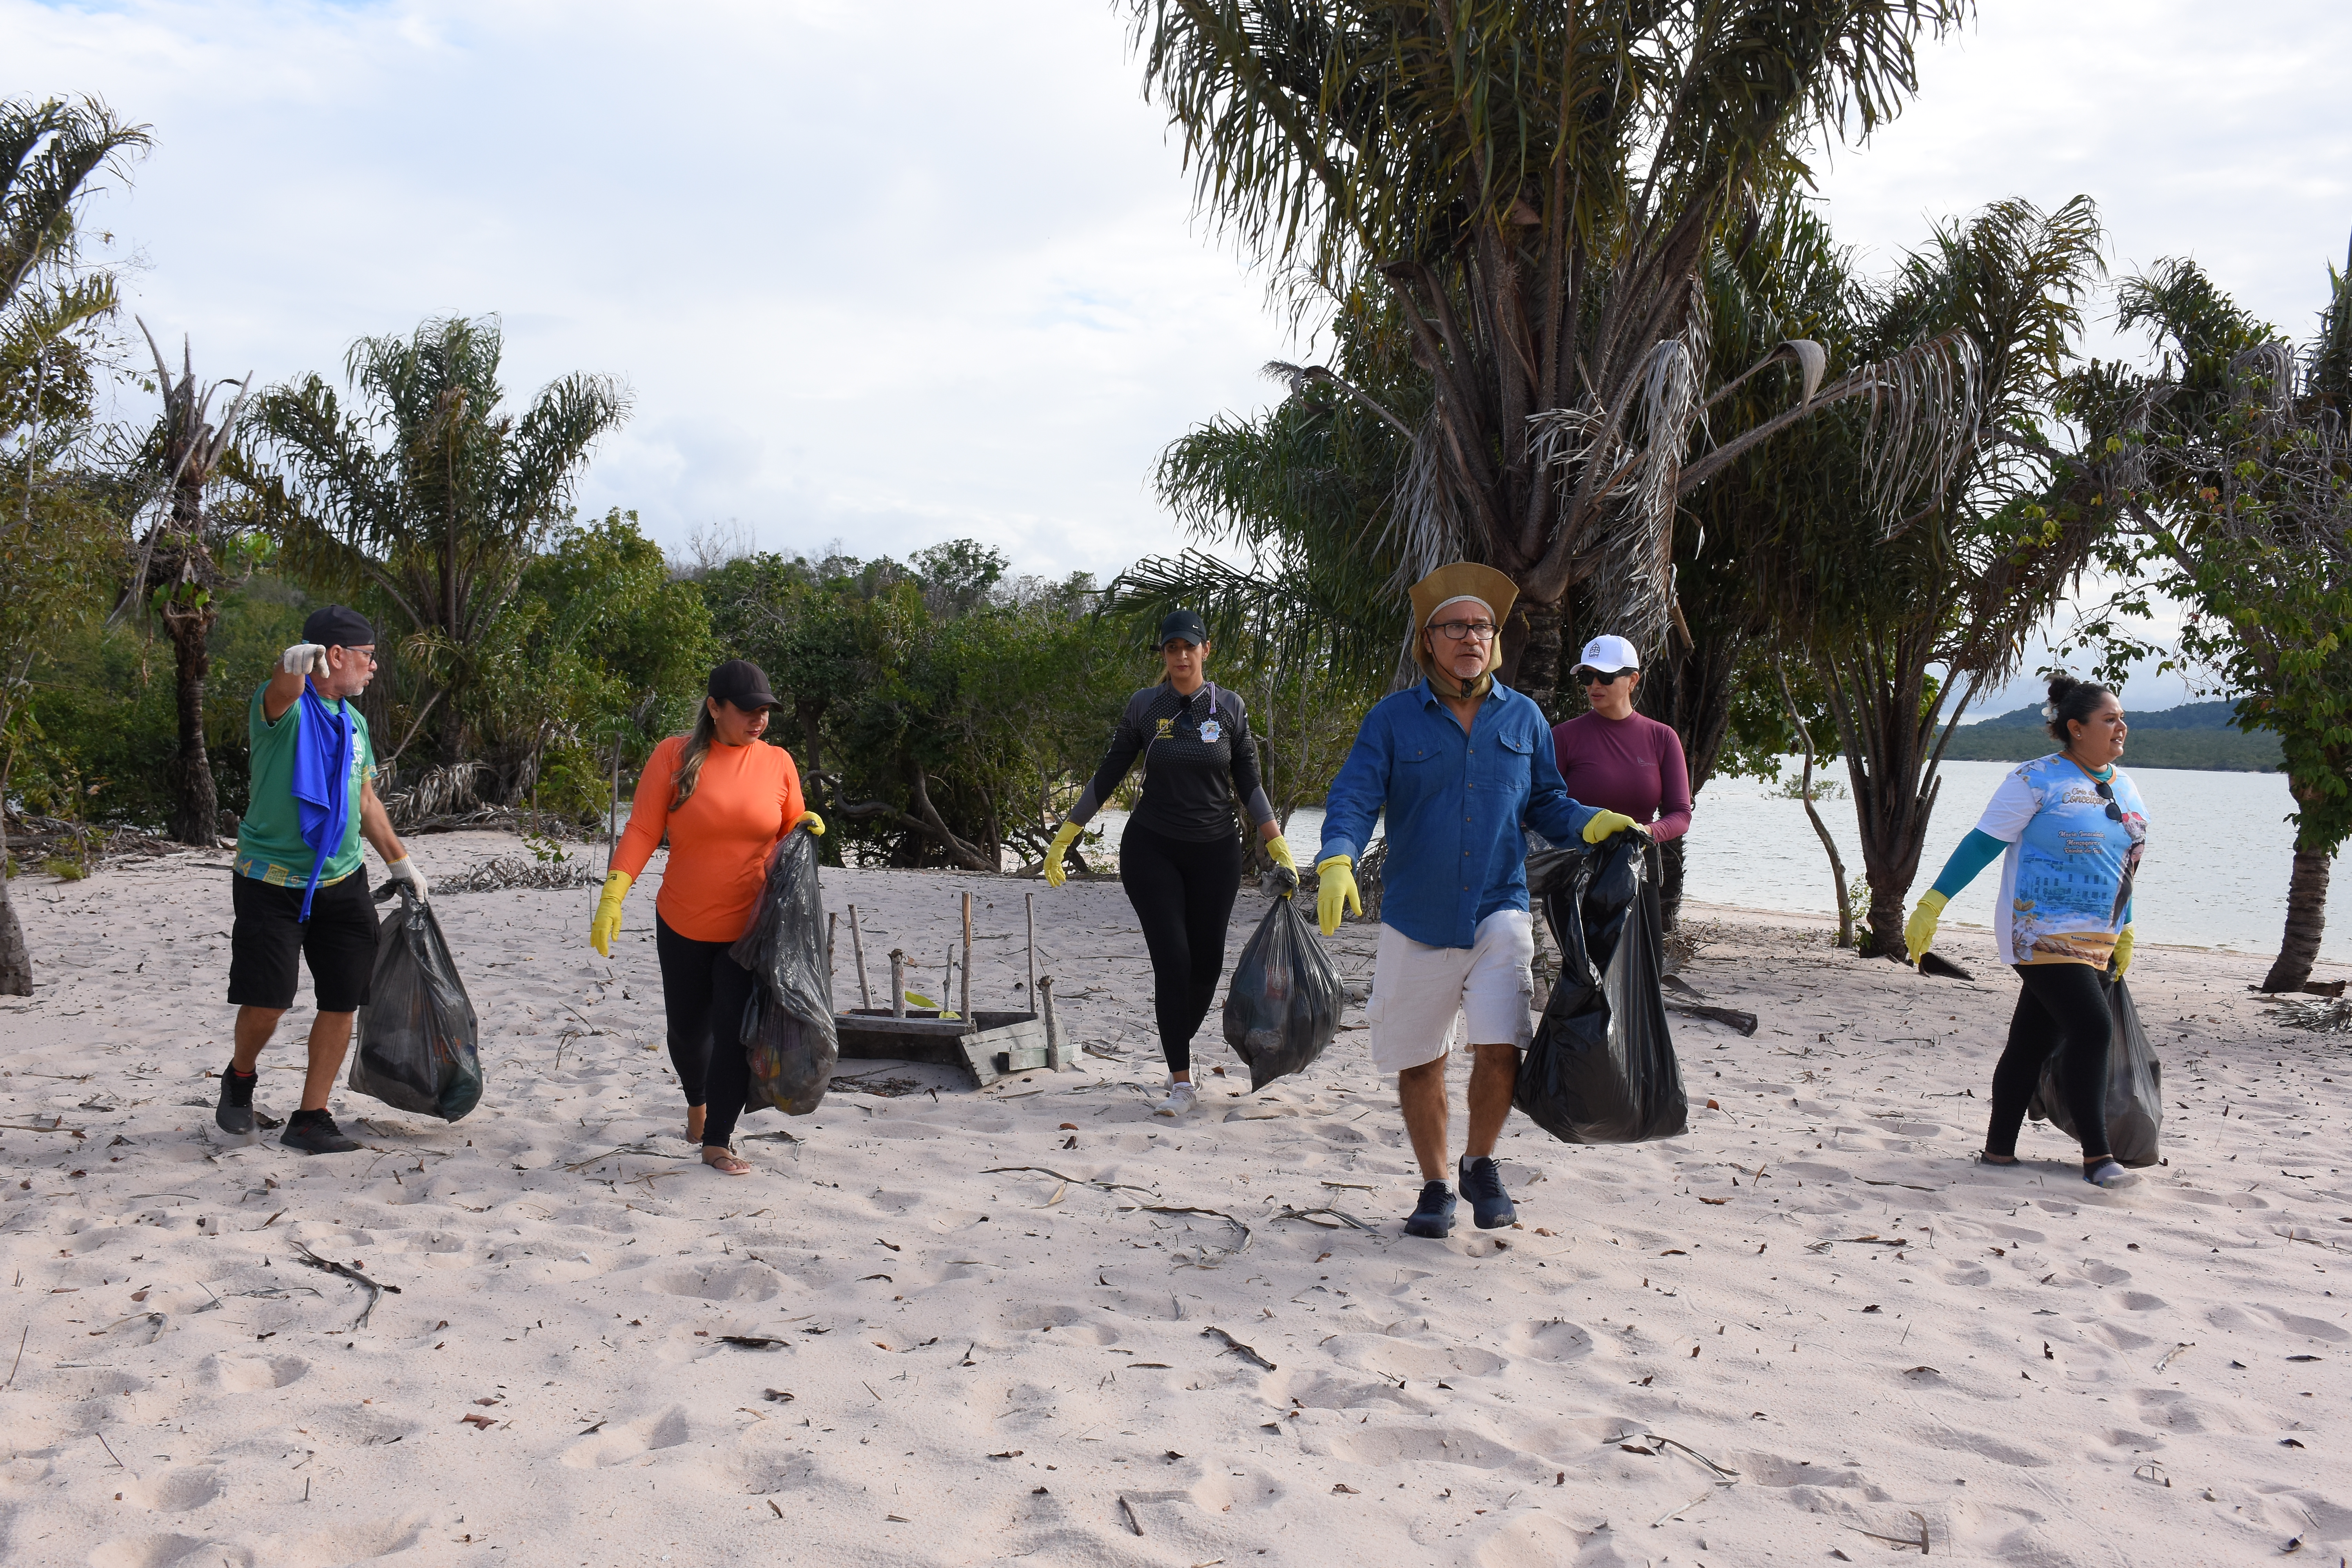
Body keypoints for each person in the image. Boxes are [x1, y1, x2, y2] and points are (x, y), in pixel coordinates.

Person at [1314, 565, 1643, 1238]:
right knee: (1421, 1059)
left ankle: (1480, 1162)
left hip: (1501, 907)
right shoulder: (1393, 720)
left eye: (1482, 627)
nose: (1471, 636)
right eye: (1456, 626)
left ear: (1494, 640)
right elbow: (1353, 796)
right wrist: (1338, 857)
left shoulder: (1523, 717)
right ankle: (1435, 1185)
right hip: (1417, 914)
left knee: (1501, 1047)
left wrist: (1590, 821)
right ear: (1428, 640)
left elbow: (1547, 801)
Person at [1042, 610, 1296, 1117]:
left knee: (1206, 966)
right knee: (1173, 962)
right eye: (1171, 648)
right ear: (1164, 654)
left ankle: (1174, 1039)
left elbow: (1248, 783)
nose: (1180, 656)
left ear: (1206, 650)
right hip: (1152, 848)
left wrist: (1277, 844)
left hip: (1216, 852)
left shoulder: (1229, 709)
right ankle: (1180, 1080)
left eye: (1189, 647)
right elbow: (1110, 772)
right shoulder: (1145, 707)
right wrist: (1065, 835)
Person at [1904, 673, 2147, 1190]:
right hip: (2037, 930)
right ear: (2076, 728)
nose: (2121, 726)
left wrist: (2126, 927)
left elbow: (2123, 865)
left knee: (2031, 1042)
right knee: (2093, 1028)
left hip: (2097, 938)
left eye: (2122, 717)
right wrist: (1933, 903)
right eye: (2111, 719)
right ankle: (2099, 1158)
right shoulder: (2035, 780)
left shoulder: (2125, 786)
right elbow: (1982, 844)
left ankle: (1998, 1152)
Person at [589, 660, 824, 1176]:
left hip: (750, 930)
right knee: (689, 1036)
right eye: (747, 710)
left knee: (736, 1034)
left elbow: (790, 832)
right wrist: (614, 894)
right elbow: (643, 831)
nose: (758, 719)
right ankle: (696, 1105)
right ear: (715, 708)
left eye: (765, 710)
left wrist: (805, 826)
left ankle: (718, 1138)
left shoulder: (779, 763)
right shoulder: (673, 758)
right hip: (683, 922)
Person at [217, 605, 428, 1154]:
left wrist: (401, 864)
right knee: (270, 1002)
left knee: (342, 1001)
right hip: (271, 882)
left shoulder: (354, 723)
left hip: (342, 882)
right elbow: (284, 691)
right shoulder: (282, 710)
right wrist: (293, 666)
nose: (373, 668)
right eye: (367, 657)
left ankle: (311, 1116)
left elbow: (365, 801)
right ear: (336, 656)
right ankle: (240, 1077)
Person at [1550, 634, 1692, 849]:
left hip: (1636, 867)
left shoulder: (1662, 737)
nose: (1595, 686)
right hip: (1572, 868)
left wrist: (1645, 832)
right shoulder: (1563, 736)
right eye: (1587, 678)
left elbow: (1681, 814)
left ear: (1633, 680)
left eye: (1606, 676)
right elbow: (1542, 805)